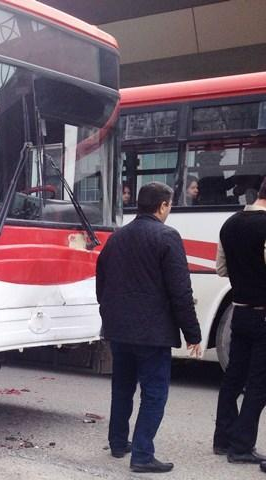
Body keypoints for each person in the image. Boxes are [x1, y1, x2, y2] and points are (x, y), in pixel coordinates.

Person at [96, 181, 202, 474]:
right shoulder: (167, 236)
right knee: (154, 393)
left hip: (118, 329)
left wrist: (108, 314)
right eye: (169, 205)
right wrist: (192, 333)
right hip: (152, 334)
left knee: (122, 387)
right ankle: (142, 453)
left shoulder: (117, 238)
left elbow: (101, 282)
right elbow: (180, 291)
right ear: (163, 206)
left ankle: (118, 442)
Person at [213, 176, 266, 471]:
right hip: (263, 312)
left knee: (234, 376)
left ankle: (222, 437)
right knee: (259, 383)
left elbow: (220, 268)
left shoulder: (230, 223)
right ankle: (242, 446)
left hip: (240, 311)